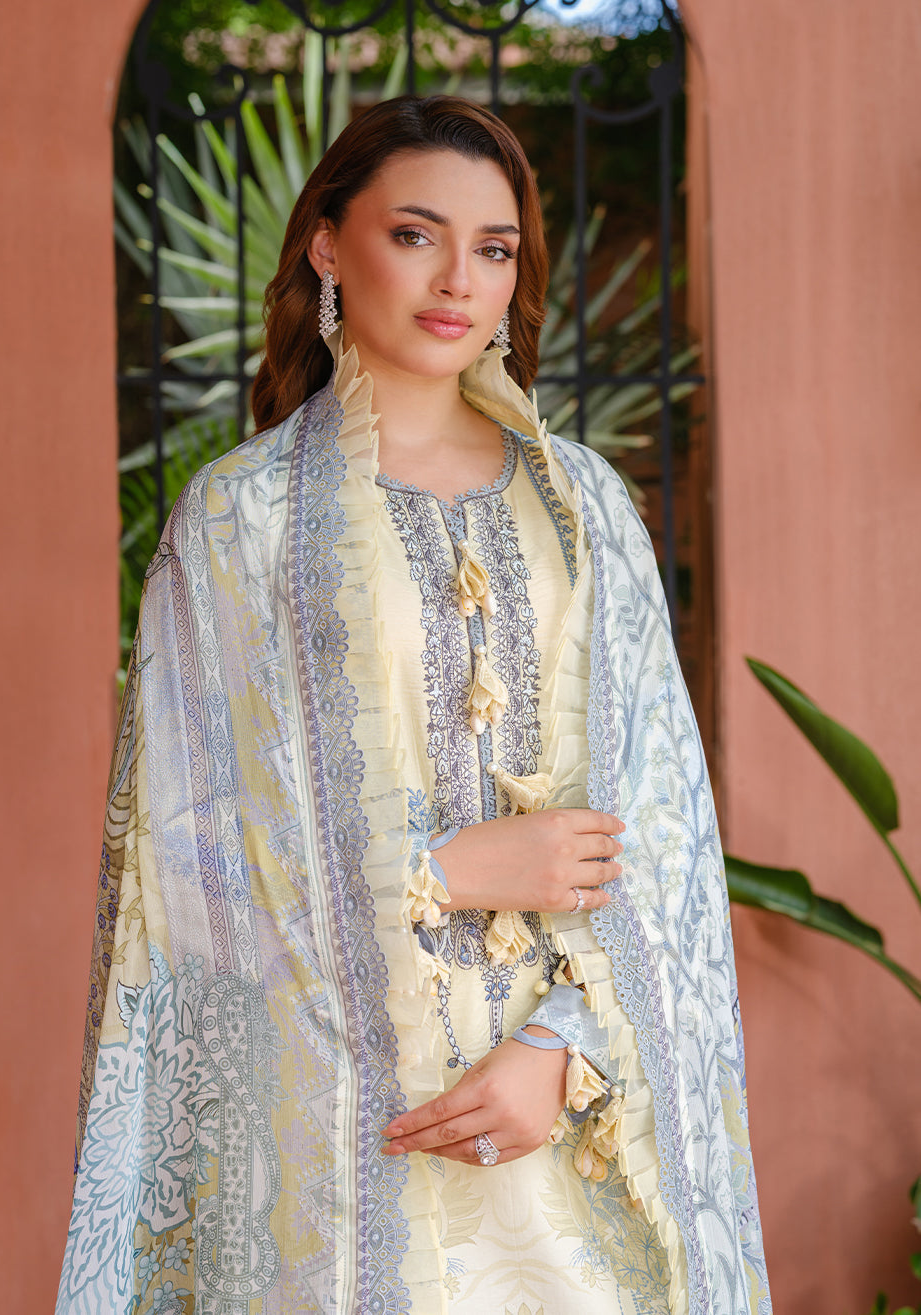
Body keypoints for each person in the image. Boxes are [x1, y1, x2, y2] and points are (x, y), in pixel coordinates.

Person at [57, 96, 771, 1315]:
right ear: (328, 246)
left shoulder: (586, 508)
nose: (459, 281)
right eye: (415, 235)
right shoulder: (240, 521)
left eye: (494, 248)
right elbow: (184, 855)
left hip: (571, 1127)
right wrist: (439, 870)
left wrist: (563, 1046)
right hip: (344, 1140)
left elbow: (664, 815)